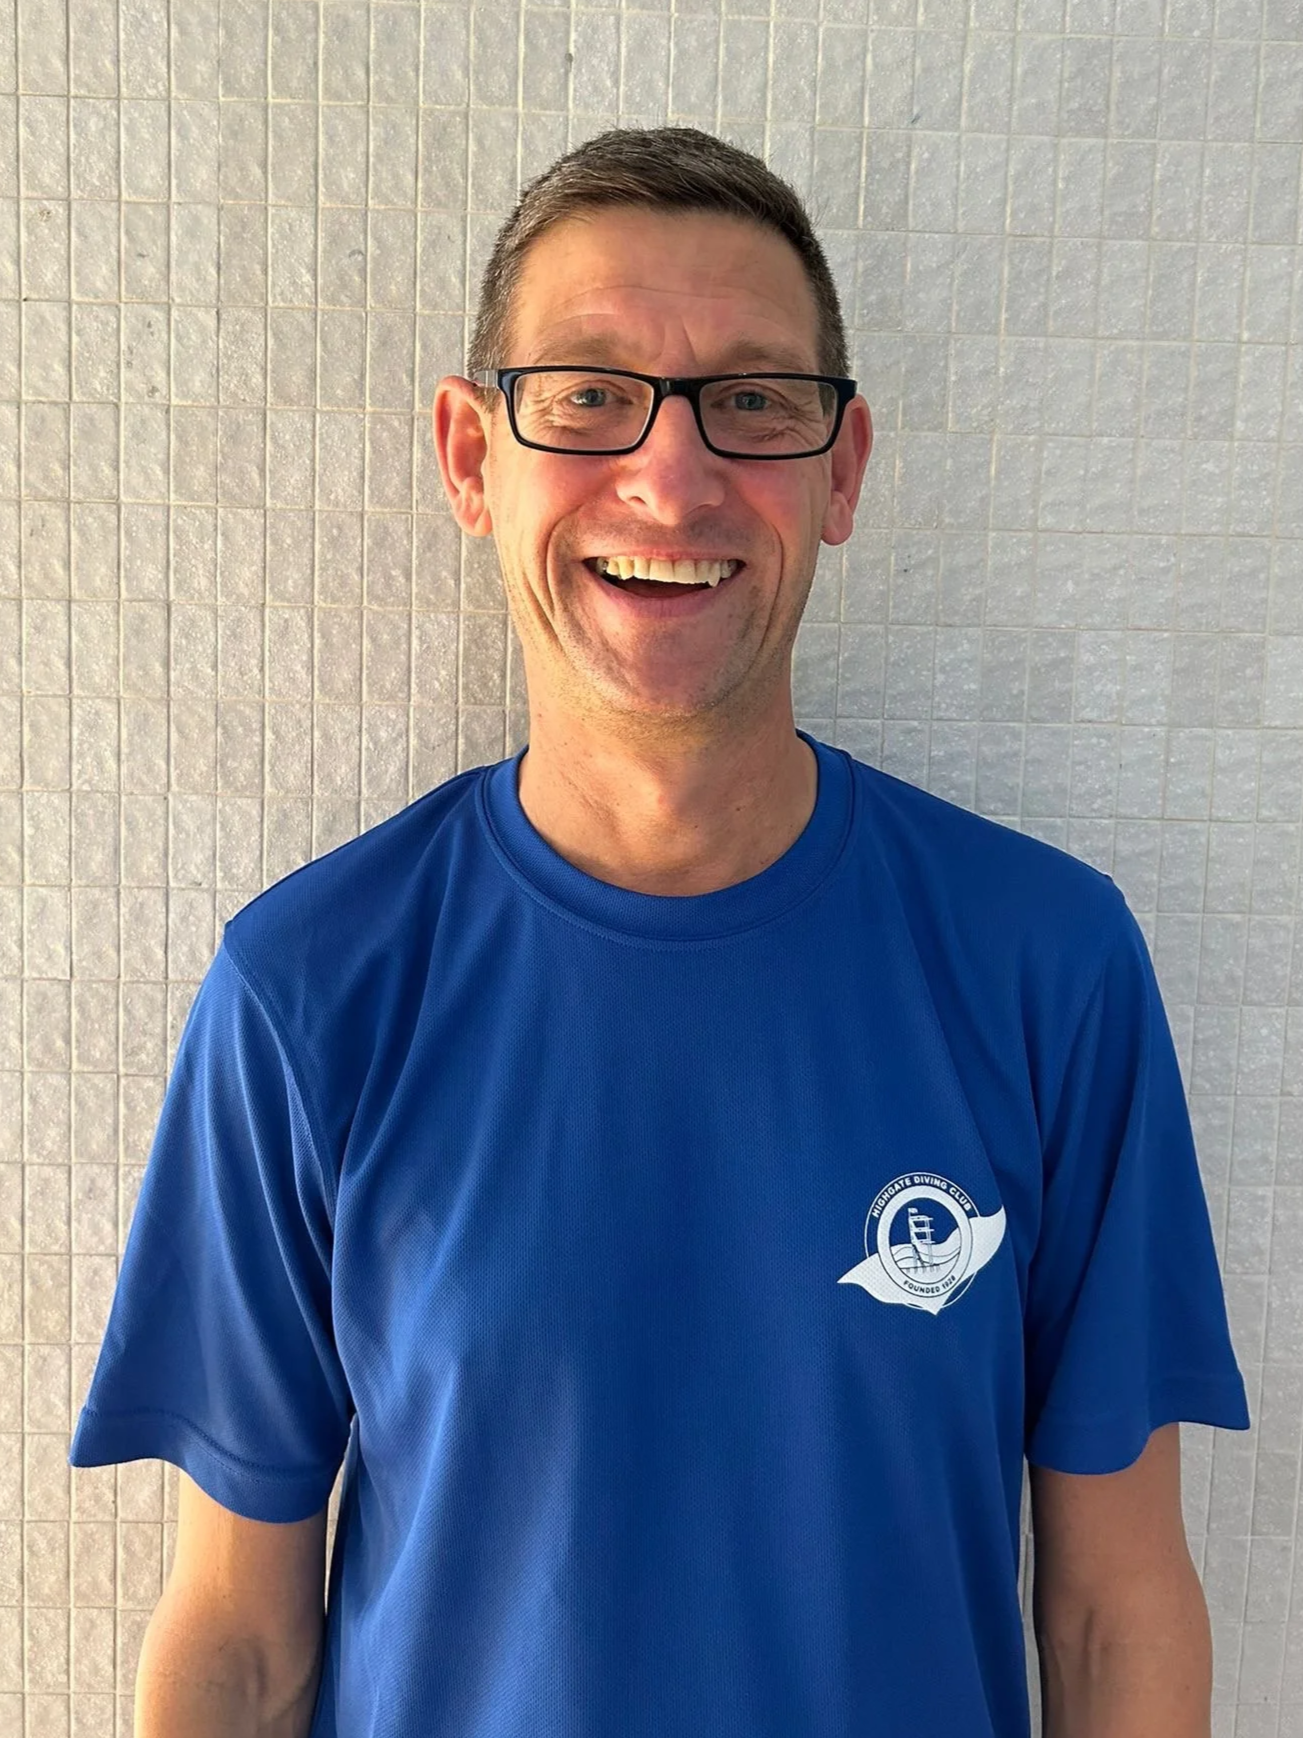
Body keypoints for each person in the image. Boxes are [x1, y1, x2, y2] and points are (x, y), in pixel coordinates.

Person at [69, 126, 1249, 1738]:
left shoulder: (1047, 967)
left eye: (753, 401)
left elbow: (1113, 1610)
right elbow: (238, 1641)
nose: (672, 476)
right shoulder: (307, 993)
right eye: (586, 393)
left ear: (839, 473)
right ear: (470, 457)